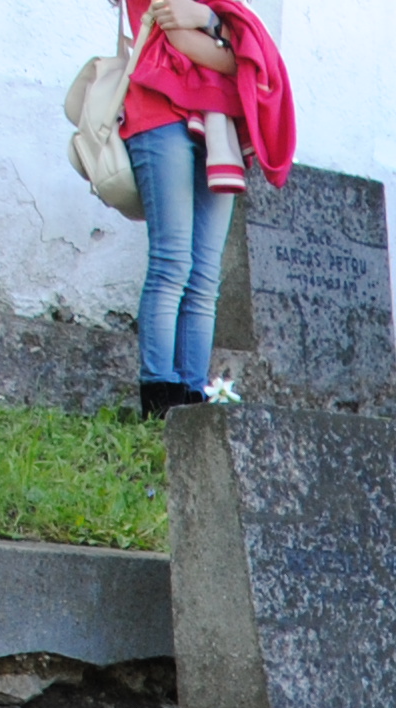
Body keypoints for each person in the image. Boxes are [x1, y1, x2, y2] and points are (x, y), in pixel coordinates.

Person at [111, 0, 294, 417]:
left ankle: (192, 399)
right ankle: (159, 397)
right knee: (172, 261)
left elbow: (251, 57)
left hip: (218, 124)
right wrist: (224, 33)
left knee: (205, 274)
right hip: (160, 114)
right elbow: (195, 44)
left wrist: (209, 19)